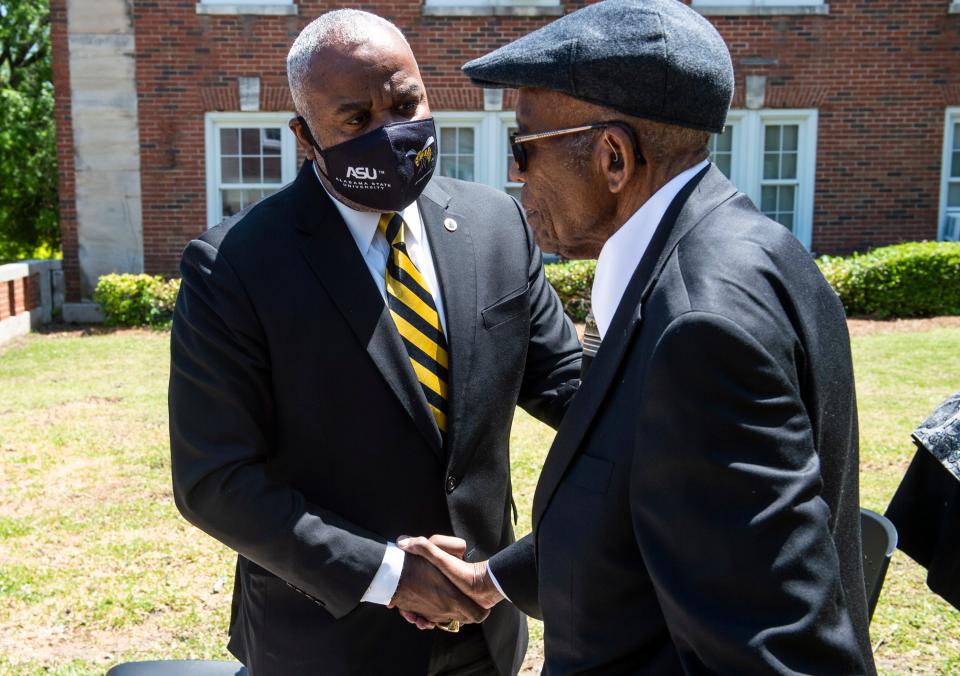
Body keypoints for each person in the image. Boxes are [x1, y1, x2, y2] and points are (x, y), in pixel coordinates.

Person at [398, 0, 878, 673]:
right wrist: (495, 579)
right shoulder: (758, 247)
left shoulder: (696, 330)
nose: (515, 176)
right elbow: (643, 510)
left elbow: (775, 652)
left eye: (523, 149)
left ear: (614, 157)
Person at [167, 10, 581, 675]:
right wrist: (389, 574)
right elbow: (215, 481)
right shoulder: (236, 267)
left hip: (484, 629)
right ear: (306, 137)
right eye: (356, 120)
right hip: (326, 641)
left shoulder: (495, 224)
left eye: (404, 102)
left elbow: (568, 386)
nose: (391, 132)